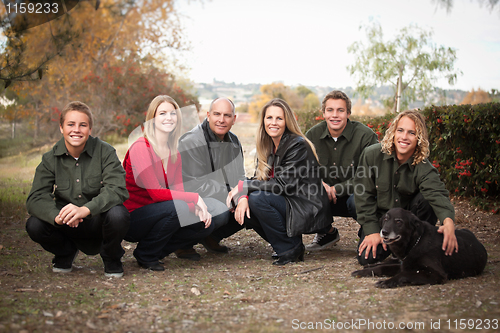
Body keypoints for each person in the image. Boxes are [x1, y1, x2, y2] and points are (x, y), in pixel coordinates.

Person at [26, 101, 130, 277]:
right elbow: (36, 198)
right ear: (61, 128)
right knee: (34, 225)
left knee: (118, 214)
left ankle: (111, 257)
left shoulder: (105, 151)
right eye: (71, 124)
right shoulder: (50, 158)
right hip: (65, 223)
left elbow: (117, 188)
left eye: (83, 125)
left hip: (97, 220)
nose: (76, 130)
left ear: (90, 129)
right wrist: (57, 217)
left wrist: (85, 210)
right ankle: (65, 252)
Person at [122, 95, 223, 271]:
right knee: (180, 208)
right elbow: (156, 192)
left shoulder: (174, 152)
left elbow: (178, 191)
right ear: (152, 118)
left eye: (172, 113)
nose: (168, 117)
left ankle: (152, 251)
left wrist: (197, 209)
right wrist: (194, 198)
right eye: (162, 113)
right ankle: (147, 254)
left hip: (161, 213)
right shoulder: (141, 147)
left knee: (205, 224)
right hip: (133, 218)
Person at [227, 98, 332, 265]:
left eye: (279, 118)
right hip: (288, 201)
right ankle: (284, 245)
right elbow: (258, 180)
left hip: (306, 205)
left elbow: (282, 185)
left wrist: (243, 187)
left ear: (286, 121)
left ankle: (290, 248)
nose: (273, 122)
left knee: (258, 200)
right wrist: (242, 197)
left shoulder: (297, 145)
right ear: (263, 120)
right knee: (245, 203)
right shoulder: (267, 145)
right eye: (269, 118)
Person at [354, 109, 458, 266]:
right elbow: (363, 196)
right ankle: (389, 245)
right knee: (367, 259)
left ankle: (418, 246)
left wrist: (448, 221)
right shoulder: (371, 155)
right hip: (382, 221)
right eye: (400, 130)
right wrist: (372, 231)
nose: (404, 137)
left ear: (419, 138)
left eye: (411, 133)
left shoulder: (423, 166)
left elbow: (437, 193)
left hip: (408, 225)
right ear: (393, 132)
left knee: (427, 200)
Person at [305, 90, 378, 251]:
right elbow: (302, 169)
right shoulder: (312, 135)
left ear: (348, 113)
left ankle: (369, 230)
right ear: (323, 113)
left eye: (340, 110)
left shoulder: (365, 136)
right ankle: (327, 233)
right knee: (305, 193)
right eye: (330, 110)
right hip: (324, 198)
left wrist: (337, 188)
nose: (335, 115)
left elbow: (369, 175)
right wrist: (318, 184)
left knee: (360, 197)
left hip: (355, 197)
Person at [178, 97, 246, 254]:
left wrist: (241, 196)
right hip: (192, 198)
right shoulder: (193, 141)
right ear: (208, 115)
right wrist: (229, 195)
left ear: (234, 119)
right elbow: (195, 185)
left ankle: (211, 237)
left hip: (221, 194)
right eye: (217, 114)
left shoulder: (234, 141)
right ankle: (182, 243)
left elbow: (240, 176)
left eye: (227, 115)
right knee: (221, 211)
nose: (221, 120)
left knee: (250, 203)